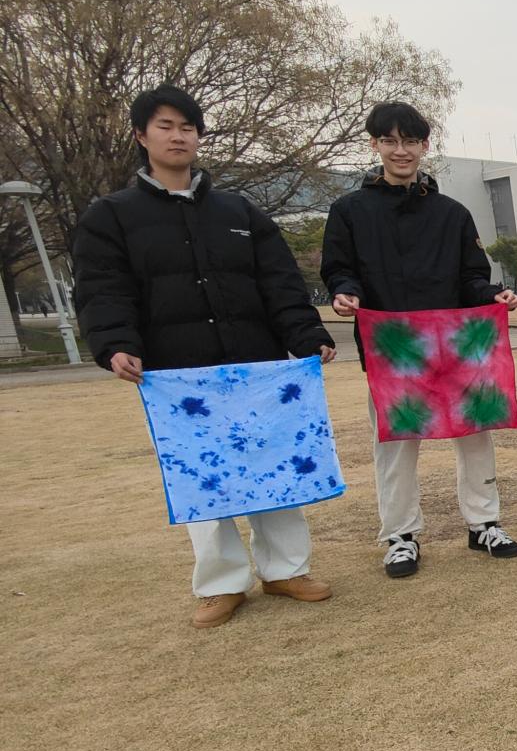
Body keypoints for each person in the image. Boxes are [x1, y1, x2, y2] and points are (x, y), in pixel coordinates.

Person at [71, 85, 337, 628]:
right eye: (165, 126)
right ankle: (221, 584)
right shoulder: (112, 216)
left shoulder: (239, 211)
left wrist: (307, 333)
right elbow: (103, 289)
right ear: (141, 135)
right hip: (177, 373)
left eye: (187, 127)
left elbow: (280, 281)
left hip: (255, 366)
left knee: (272, 463)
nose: (178, 137)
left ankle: (286, 569)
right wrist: (116, 344)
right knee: (202, 476)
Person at [321, 101, 517, 578]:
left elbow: (472, 276)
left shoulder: (451, 213)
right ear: (375, 145)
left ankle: (484, 523)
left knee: (474, 435)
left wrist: (492, 295)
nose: (401, 150)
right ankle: (400, 535)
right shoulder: (350, 211)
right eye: (390, 141)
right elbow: (339, 268)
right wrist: (345, 292)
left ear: (424, 146)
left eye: (410, 141)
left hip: (457, 348)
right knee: (395, 445)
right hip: (391, 348)